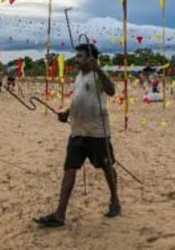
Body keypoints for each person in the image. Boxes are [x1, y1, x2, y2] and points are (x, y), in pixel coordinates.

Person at [34, 43, 120, 228]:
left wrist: (98, 68)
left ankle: (115, 200)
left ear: (91, 58)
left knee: (106, 166)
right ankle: (59, 214)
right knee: (69, 169)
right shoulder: (79, 76)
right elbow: (78, 99)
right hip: (77, 131)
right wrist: (66, 113)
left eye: (80, 56)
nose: (77, 59)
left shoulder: (99, 74)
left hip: (97, 133)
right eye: (77, 56)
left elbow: (112, 90)